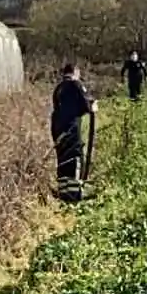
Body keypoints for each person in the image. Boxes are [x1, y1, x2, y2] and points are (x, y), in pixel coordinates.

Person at [50, 63, 97, 203]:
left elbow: (58, 106)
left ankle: (64, 191)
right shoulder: (77, 85)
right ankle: (74, 194)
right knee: (75, 156)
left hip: (57, 128)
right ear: (75, 72)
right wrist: (92, 107)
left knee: (63, 157)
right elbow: (84, 104)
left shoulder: (58, 88)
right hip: (71, 127)